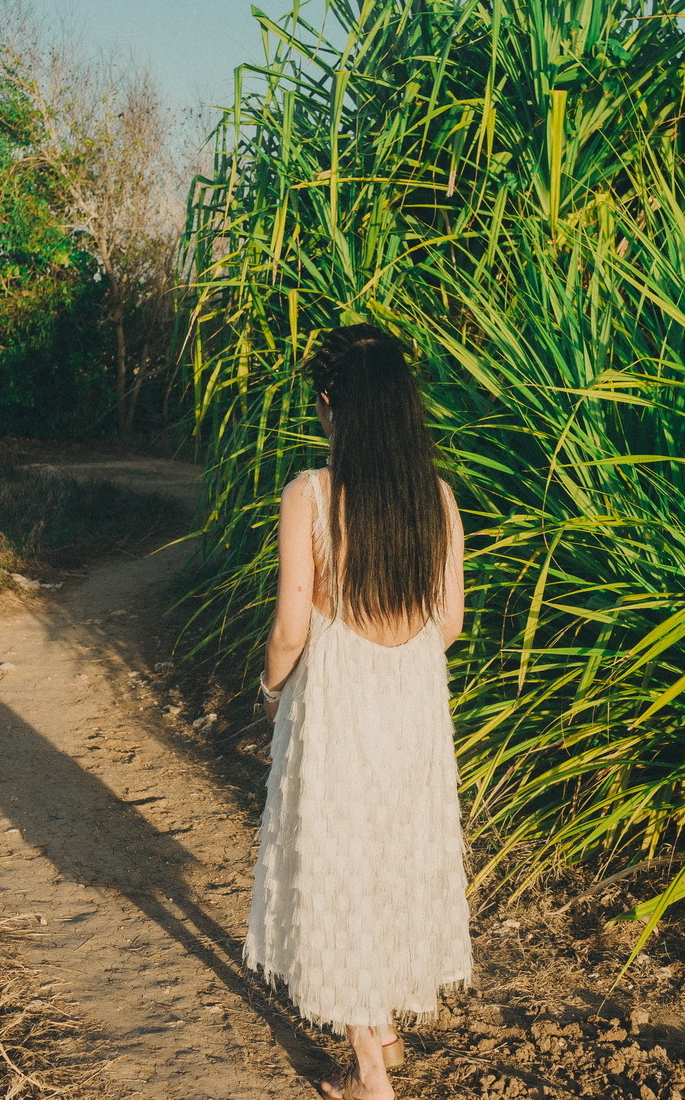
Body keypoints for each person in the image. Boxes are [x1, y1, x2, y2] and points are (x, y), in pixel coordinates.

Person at [243, 323, 474, 1100]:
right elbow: (449, 623)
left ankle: (371, 1073)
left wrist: (273, 689)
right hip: (412, 699)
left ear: (332, 407)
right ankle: (383, 1028)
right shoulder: (436, 498)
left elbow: (290, 627)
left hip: (339, 696)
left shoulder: (309, 494)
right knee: (392, 855)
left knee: (338, 861)